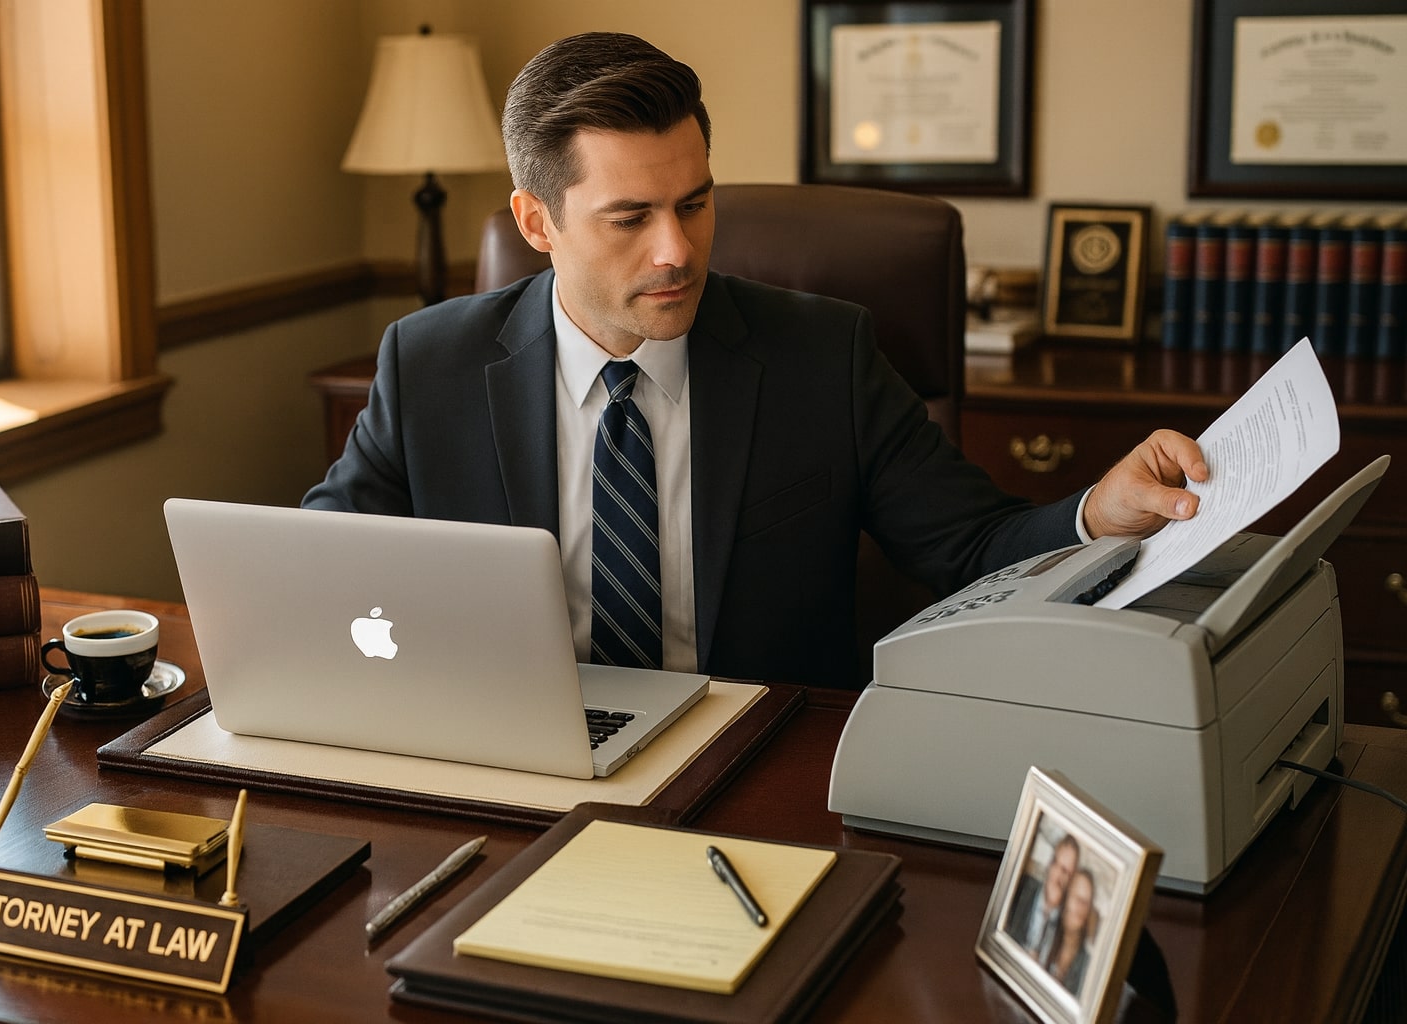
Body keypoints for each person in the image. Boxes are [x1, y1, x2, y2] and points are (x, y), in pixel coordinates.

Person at [302, 31, 1208, 688]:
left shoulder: (824, 355)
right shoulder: (428, 365)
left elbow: (972, 547)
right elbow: (317, 568)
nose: (676, 251)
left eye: (694, 204)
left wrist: (1099, 511)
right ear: (537, 222)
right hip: (513, 764)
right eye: (631, 218)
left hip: (757, 765)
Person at [1004, 832, 1079, 962]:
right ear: (1050, 864)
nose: (1060, 876)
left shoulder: (1067, 926)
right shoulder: (1020, 889)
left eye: (1067, 872)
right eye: (1058, 865)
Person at [1045, 867, 1097, 996]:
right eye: (1077, 898)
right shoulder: (1046, 933)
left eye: (1085, 902)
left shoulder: (1086, 963)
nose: (1080, 907)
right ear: (1066, 897)